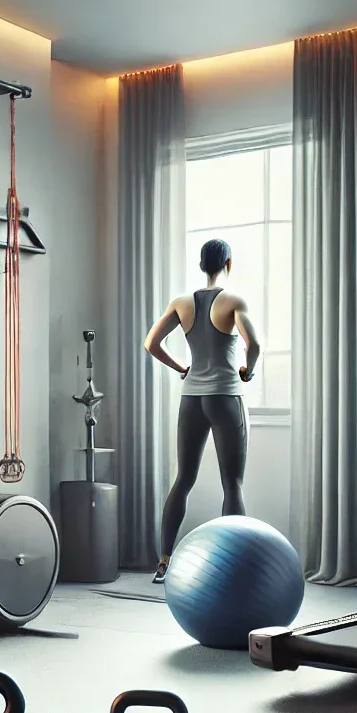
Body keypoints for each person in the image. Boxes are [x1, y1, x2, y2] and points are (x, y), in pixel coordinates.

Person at [141, 238, 261, 584]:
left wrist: (182, 368)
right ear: (229, 264)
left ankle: (164, 561)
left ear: (200, 265)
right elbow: (254, 345)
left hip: (191, 398)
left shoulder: (181, 303)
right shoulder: (234, 301)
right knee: (232, 485)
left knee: (183, 480)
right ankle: (235, 565)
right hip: (225, 397)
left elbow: (151, 344)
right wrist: (248, 372)